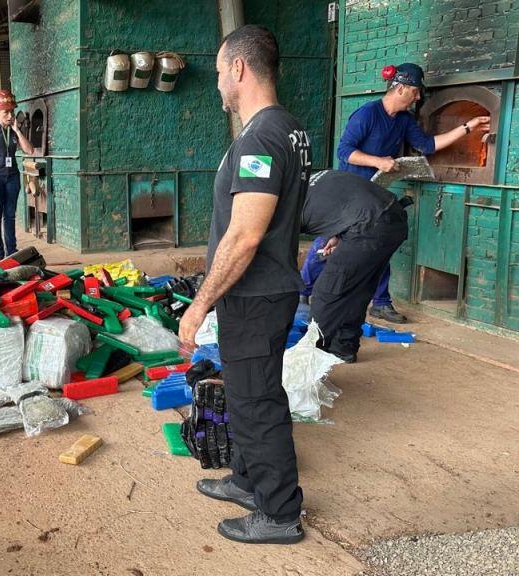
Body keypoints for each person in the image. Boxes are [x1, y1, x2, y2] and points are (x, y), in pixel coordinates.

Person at [178, 25, 311, 545]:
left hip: (255, 296)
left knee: (258, 403)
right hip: (262, 292)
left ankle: (278, 514)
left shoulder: (261, 137)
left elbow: (246, 233)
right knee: (246, 391)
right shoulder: (288, 129)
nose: (217, 85)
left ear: (238, 68)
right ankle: (249, 481)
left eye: (217, 73)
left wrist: (199, 304)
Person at [300, 62, 490, 323]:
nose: (419, 96)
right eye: (415, 91)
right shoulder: (366, 115)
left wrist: (467, 127)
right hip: (348, 195)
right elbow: (344, 152)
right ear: (400, 88)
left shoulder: (403, 120)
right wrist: (378, 161)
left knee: (378, 246)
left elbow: (427, 145)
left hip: (375, 194)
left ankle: (380, 302)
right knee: (328, 242)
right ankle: (302, 291)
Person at [302, 170, 409, 363]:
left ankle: (310, 356)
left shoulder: (286, 203)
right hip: (394, 216)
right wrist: (336, 234)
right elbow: (344, 203)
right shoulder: (318, 179)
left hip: (369, 225)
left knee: (327, 292)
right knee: (359, 287)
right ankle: (343, 348)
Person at [0, 89, 33, 260]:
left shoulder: (13, 129)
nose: (10, 116)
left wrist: (17, 130)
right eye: (5, 112)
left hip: (12, 178)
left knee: (9, 216)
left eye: (12, 112)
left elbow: (29, 150)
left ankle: (11, 252)